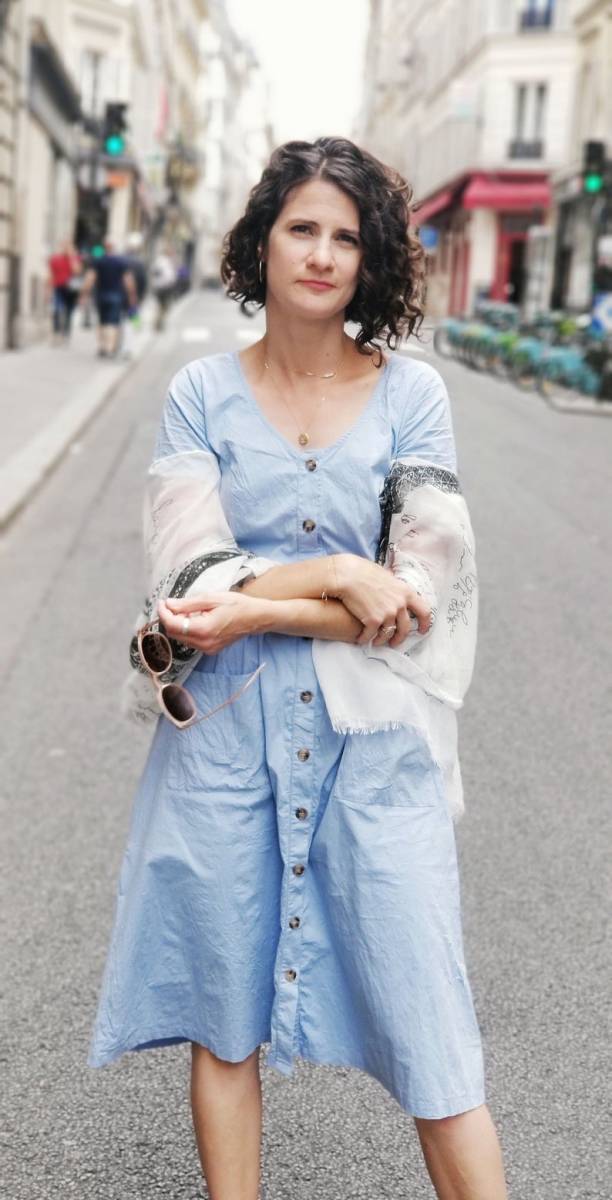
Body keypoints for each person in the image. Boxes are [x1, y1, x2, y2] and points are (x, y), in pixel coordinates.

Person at [87, 137, 508, 1200]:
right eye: (302, 228)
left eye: (346, 238)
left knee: (433, 1031)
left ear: (372, 260)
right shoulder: (199, 392)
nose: (322, 254)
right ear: (263, 241)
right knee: (224, 1019)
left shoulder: (413, 397)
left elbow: (415, 600)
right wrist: (334, 573)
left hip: (377, 751)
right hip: (224, 743)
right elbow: (190, 584)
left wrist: (265, 607)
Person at [79, 235, 137, 357]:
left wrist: (84, 294)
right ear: (114, 247)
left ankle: (102, 346)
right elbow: (128, 281)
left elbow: (90, 278)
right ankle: (109, 348)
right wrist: (132, 296)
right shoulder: (121, 262)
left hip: (101, 295)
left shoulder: (98, 261)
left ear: (104, 247)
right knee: (112, 323)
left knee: (102, 321)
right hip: (116, 296)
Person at [46, 239, 83, 343]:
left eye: (69, 247)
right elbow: (50, 275)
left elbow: (77, 271)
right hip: (58, 287)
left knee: (69, 312)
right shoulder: (55, 259)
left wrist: (72, 258)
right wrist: (48, 290)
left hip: (71, 289)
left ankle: (66, 333)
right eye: (64, 246)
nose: (66, 249)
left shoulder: (75, 258)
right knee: (56, 310)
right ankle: (56, 333)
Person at [149, 244, 177, 330]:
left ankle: (158, 323)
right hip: (163, 287)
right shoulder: (164, 262)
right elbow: (167, 276)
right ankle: (158, 323)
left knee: (162, 306)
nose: (173, 254)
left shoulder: (162, 261)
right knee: (163, 306)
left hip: (161, 287)